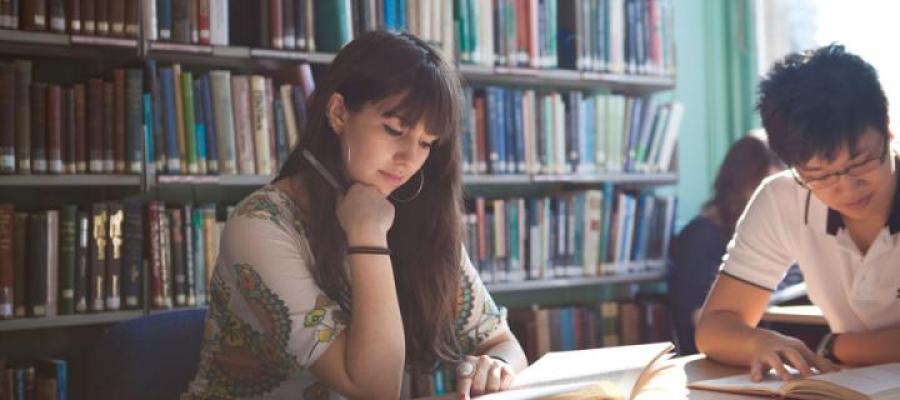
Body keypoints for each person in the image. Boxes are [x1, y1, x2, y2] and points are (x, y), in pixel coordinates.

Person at [182, 31, 526, 399]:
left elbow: (502, 341)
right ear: (338, 113)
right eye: (395, 130)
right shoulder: (260, 226)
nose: (410, 158)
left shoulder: (412, 212)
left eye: (426, 142)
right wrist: (368, 236)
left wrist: (497, 366)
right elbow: (375, 390)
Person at [696, 44, 900, 382]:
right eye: (820, 175)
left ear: (888, 131)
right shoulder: (783, 198)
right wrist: (757, 341)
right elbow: (715, 326)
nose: (847, 189)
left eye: (861, 163)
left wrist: (839, 347)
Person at [669, 134, 783, 355]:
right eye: (764, 194)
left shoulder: (773, 233)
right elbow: (697, 318)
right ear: (741, 186)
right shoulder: (701, 235)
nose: (772, 206)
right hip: (718, 358)